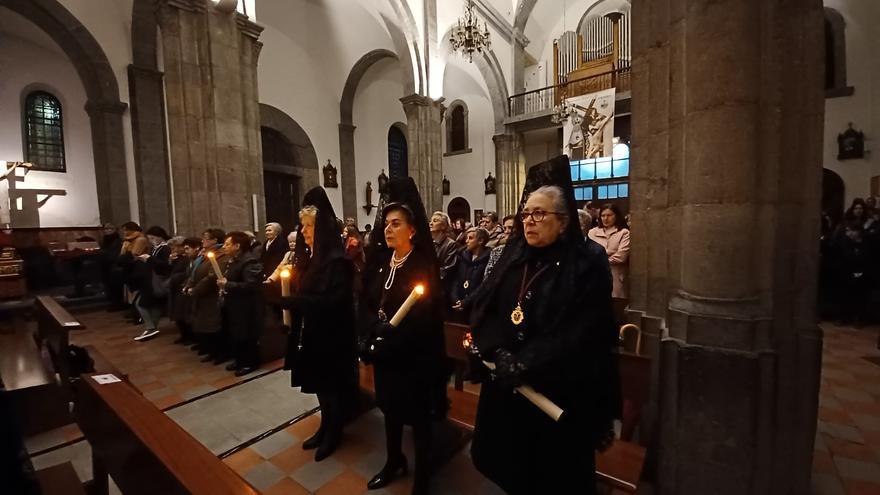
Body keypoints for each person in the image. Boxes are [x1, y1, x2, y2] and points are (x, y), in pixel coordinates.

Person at [468, 156, 619, 495]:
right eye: (526, 213)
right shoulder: (514, 258)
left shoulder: (587, 261)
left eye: (540, 214)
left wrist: (526, 361)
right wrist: (498, 350)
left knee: (552, 478)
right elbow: (485, 308)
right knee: (512, 469)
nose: (529, 222)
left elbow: (585, 328)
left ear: (563, 222)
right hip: (509, 388)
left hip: (557, 389)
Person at [359, 178, 448, 495]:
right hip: (386, 356)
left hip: (413, 358)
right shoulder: (382, 263)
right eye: (386, 223)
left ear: (412, 230)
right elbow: (366, 302)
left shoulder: (423, 265)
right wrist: (371, 332)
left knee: (419, 419)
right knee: (390, 410)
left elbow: (424, 318)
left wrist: (387, 339)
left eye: (396, 223)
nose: (388, 228)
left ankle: (423, 475)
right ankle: (394, 459)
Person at [279, 188, 358, 461]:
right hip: (311, 334)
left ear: (322, 228)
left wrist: (294, 303)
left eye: (308, 225)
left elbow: (334, 303)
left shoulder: (337, 263)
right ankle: (325, 426)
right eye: (302, 225)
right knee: (319, 387)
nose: (303, 231)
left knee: (330, 387)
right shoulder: (310, 260)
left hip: (331, 338)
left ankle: (334, 432)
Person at [187, 228, 227, 363]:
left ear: (215, 240)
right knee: (203, 323)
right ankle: (209, 349)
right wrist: (188, 285)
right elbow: (195, 271)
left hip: (211, 295)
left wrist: (196, 289)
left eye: (205, 238)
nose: (202, 240)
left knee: (213, 325)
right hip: (202, 295)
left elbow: (211, 276)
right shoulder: (204, 254)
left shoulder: (220, 254)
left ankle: (219, 353)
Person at [588, 204, 631, 324]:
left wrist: (599, 256)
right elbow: (588, 254)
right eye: (603, 215)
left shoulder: (623, 233)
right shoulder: (592, 232)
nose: (605, 218)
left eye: (609, 215)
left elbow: (621, 257)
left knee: (616, 317)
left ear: (616, 216)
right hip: (595, 281)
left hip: (616, 281)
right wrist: (610, 252)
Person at [133, 226, 171, 341]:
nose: (151, 241)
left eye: (153, 238)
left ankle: (151, 327)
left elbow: (165, 265)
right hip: (151, 279)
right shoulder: (155, 248)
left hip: (158, 280)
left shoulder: (165, 248)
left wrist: (149, 259)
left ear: (160, 236)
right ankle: (152, 328)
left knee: (141, 303)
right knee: (154, 305)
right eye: (149, 238)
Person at [450, 227, 490, 322]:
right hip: (460, 304)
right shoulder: (463, 256)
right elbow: (456, 279)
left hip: (475, 306)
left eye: (470, 238)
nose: (467, 241)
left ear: (480, 241)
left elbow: (483, 285)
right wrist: (455, 298)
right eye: (466, 238)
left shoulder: (488, 258)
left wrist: (467, 301)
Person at [169, 237, 201, 345]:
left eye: (187, 248)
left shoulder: (195, 259)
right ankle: (185, 335)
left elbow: (189, 274)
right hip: (181, 288)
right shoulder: (182, 258)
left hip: (188, 288)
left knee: (186, 315)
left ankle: (191, 337)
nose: (174, 249)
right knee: (180, 314)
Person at [429, 211, 460, 297]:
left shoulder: (450, 244)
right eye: (431, 221)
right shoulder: (430, 243)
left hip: (441, 289)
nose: (431, 223)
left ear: (443, 226)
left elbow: (447, 269)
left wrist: (429, 277)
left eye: (435, 221)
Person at [100, 223, 124, 310]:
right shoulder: (105, 240)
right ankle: (113, 303)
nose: (107, 230)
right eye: (106, 229)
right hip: (106, 266)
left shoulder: (118, 240)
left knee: (115, 287)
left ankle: (118, 304)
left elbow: (115, 254)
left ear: (115, 230)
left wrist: (104, 254)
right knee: (109, 286)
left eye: (110, 229)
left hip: (114, 266)